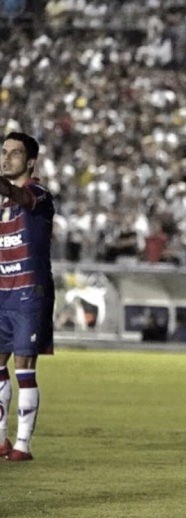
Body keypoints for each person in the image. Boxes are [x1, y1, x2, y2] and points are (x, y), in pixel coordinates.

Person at [0, 132, 56, 462]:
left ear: (30, 161)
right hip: (1, 291)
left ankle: (22, 444)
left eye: (14, 154)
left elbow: (20, 196)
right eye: (3, 152)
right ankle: (1, 440)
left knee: (24, 366)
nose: (6, 158)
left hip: (29, 292)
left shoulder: (40, 194)